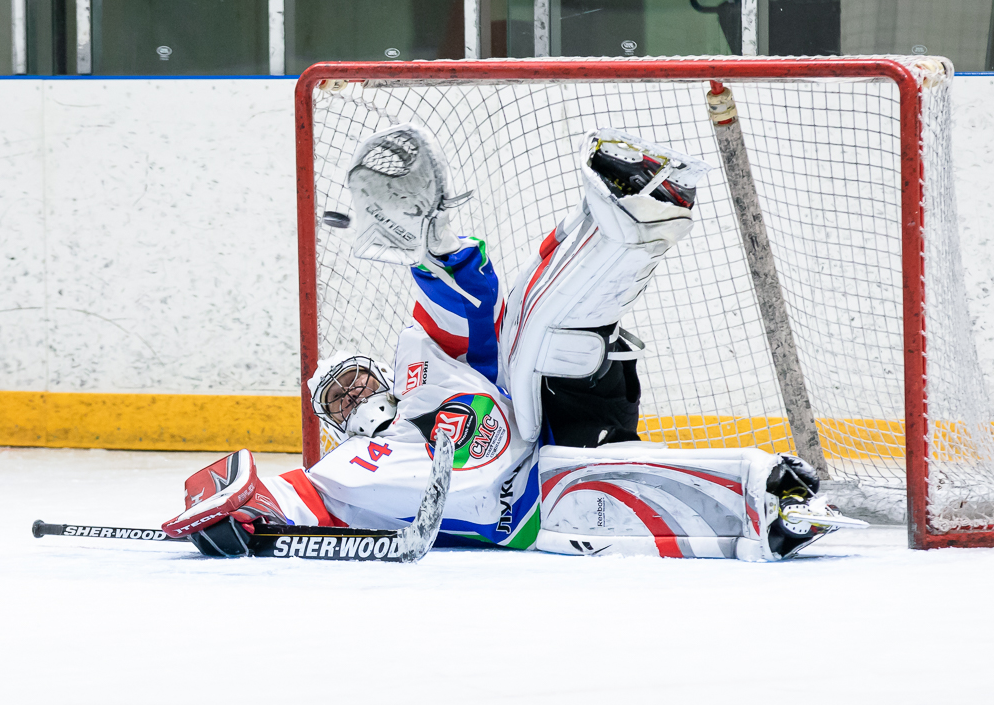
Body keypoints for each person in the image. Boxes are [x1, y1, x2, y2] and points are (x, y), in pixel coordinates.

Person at [163, 123, 856, 562]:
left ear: (382, 376)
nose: (353, 396)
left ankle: (630, 212)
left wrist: (438, 247)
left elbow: (469, 313)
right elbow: (271, 500)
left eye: (355, 380)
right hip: (534, 489)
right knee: (580, 488)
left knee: (528, 320)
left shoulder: (419, 369)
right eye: (337, 400)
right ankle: (777, 500)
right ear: (333, 427)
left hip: (555, 401)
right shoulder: (345, 474)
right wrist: (228, 518)